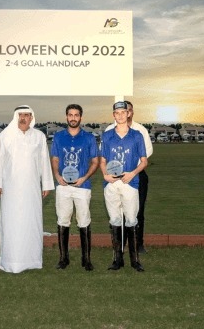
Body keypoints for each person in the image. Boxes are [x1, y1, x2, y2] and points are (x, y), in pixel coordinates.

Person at [0, 105, 54, 273]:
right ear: (15, 117)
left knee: (31, 223)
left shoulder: (39, 136)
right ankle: (9, 261)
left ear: (31, 118)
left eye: (27, 115)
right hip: (10, 189)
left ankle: (32, 261)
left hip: (32, 189)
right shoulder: (6, 135)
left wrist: (47, 183)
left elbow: (44, 161)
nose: (23, 118)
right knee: (11, 223)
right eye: (21, 115)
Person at [51, 104, 99, 271]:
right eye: (70, 115)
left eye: (76, 115)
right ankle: (63, 258)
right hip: (63, 185)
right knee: (63, 221)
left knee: (84, 221)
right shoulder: (58, 137)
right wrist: (57, 176)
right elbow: (55, 159)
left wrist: (84, 177)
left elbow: (95, 161)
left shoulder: (89, 138)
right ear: (66, 117)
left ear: (81, 117)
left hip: (82, 186)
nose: (73, 118)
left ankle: (86, 259)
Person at [100, 101, 148, 272]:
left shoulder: (137, 135)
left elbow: (144, 161)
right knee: (114, 220)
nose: (120, 115)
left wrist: (132, 174)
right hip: (111, 183)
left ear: (128, 113)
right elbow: (103, 160)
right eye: (117, 113)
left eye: (123, 112)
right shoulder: (107, 136)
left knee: (132, 219)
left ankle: (135, 260)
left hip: (129, 182)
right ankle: (117, 260)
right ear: (113, 115)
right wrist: (105, 174)